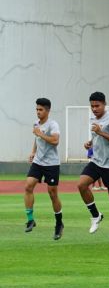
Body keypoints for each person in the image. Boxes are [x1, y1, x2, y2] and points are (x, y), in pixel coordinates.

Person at [77, 92, 109, 249]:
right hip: (97, 162)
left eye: (97, 105)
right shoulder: (93, 119)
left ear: (104, 105)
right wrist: (90, 142)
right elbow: (97, 137)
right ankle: (95, 215)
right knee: (81, 185)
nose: (94, 109)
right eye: (92, 106)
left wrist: (100, 132)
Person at [24, 98, 63, 240]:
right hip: (38, 162)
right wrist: (33, 152)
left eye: (40, 109)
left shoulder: (53, 125)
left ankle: (59, 223)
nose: (38, 112)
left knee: (52, 194)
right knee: (28, 186)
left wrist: (40, 133)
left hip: (52, 164)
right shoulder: (36, 124)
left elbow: (55, 141)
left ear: (47, 110)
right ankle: (30, 219)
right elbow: (37, 139)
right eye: (36, 109)